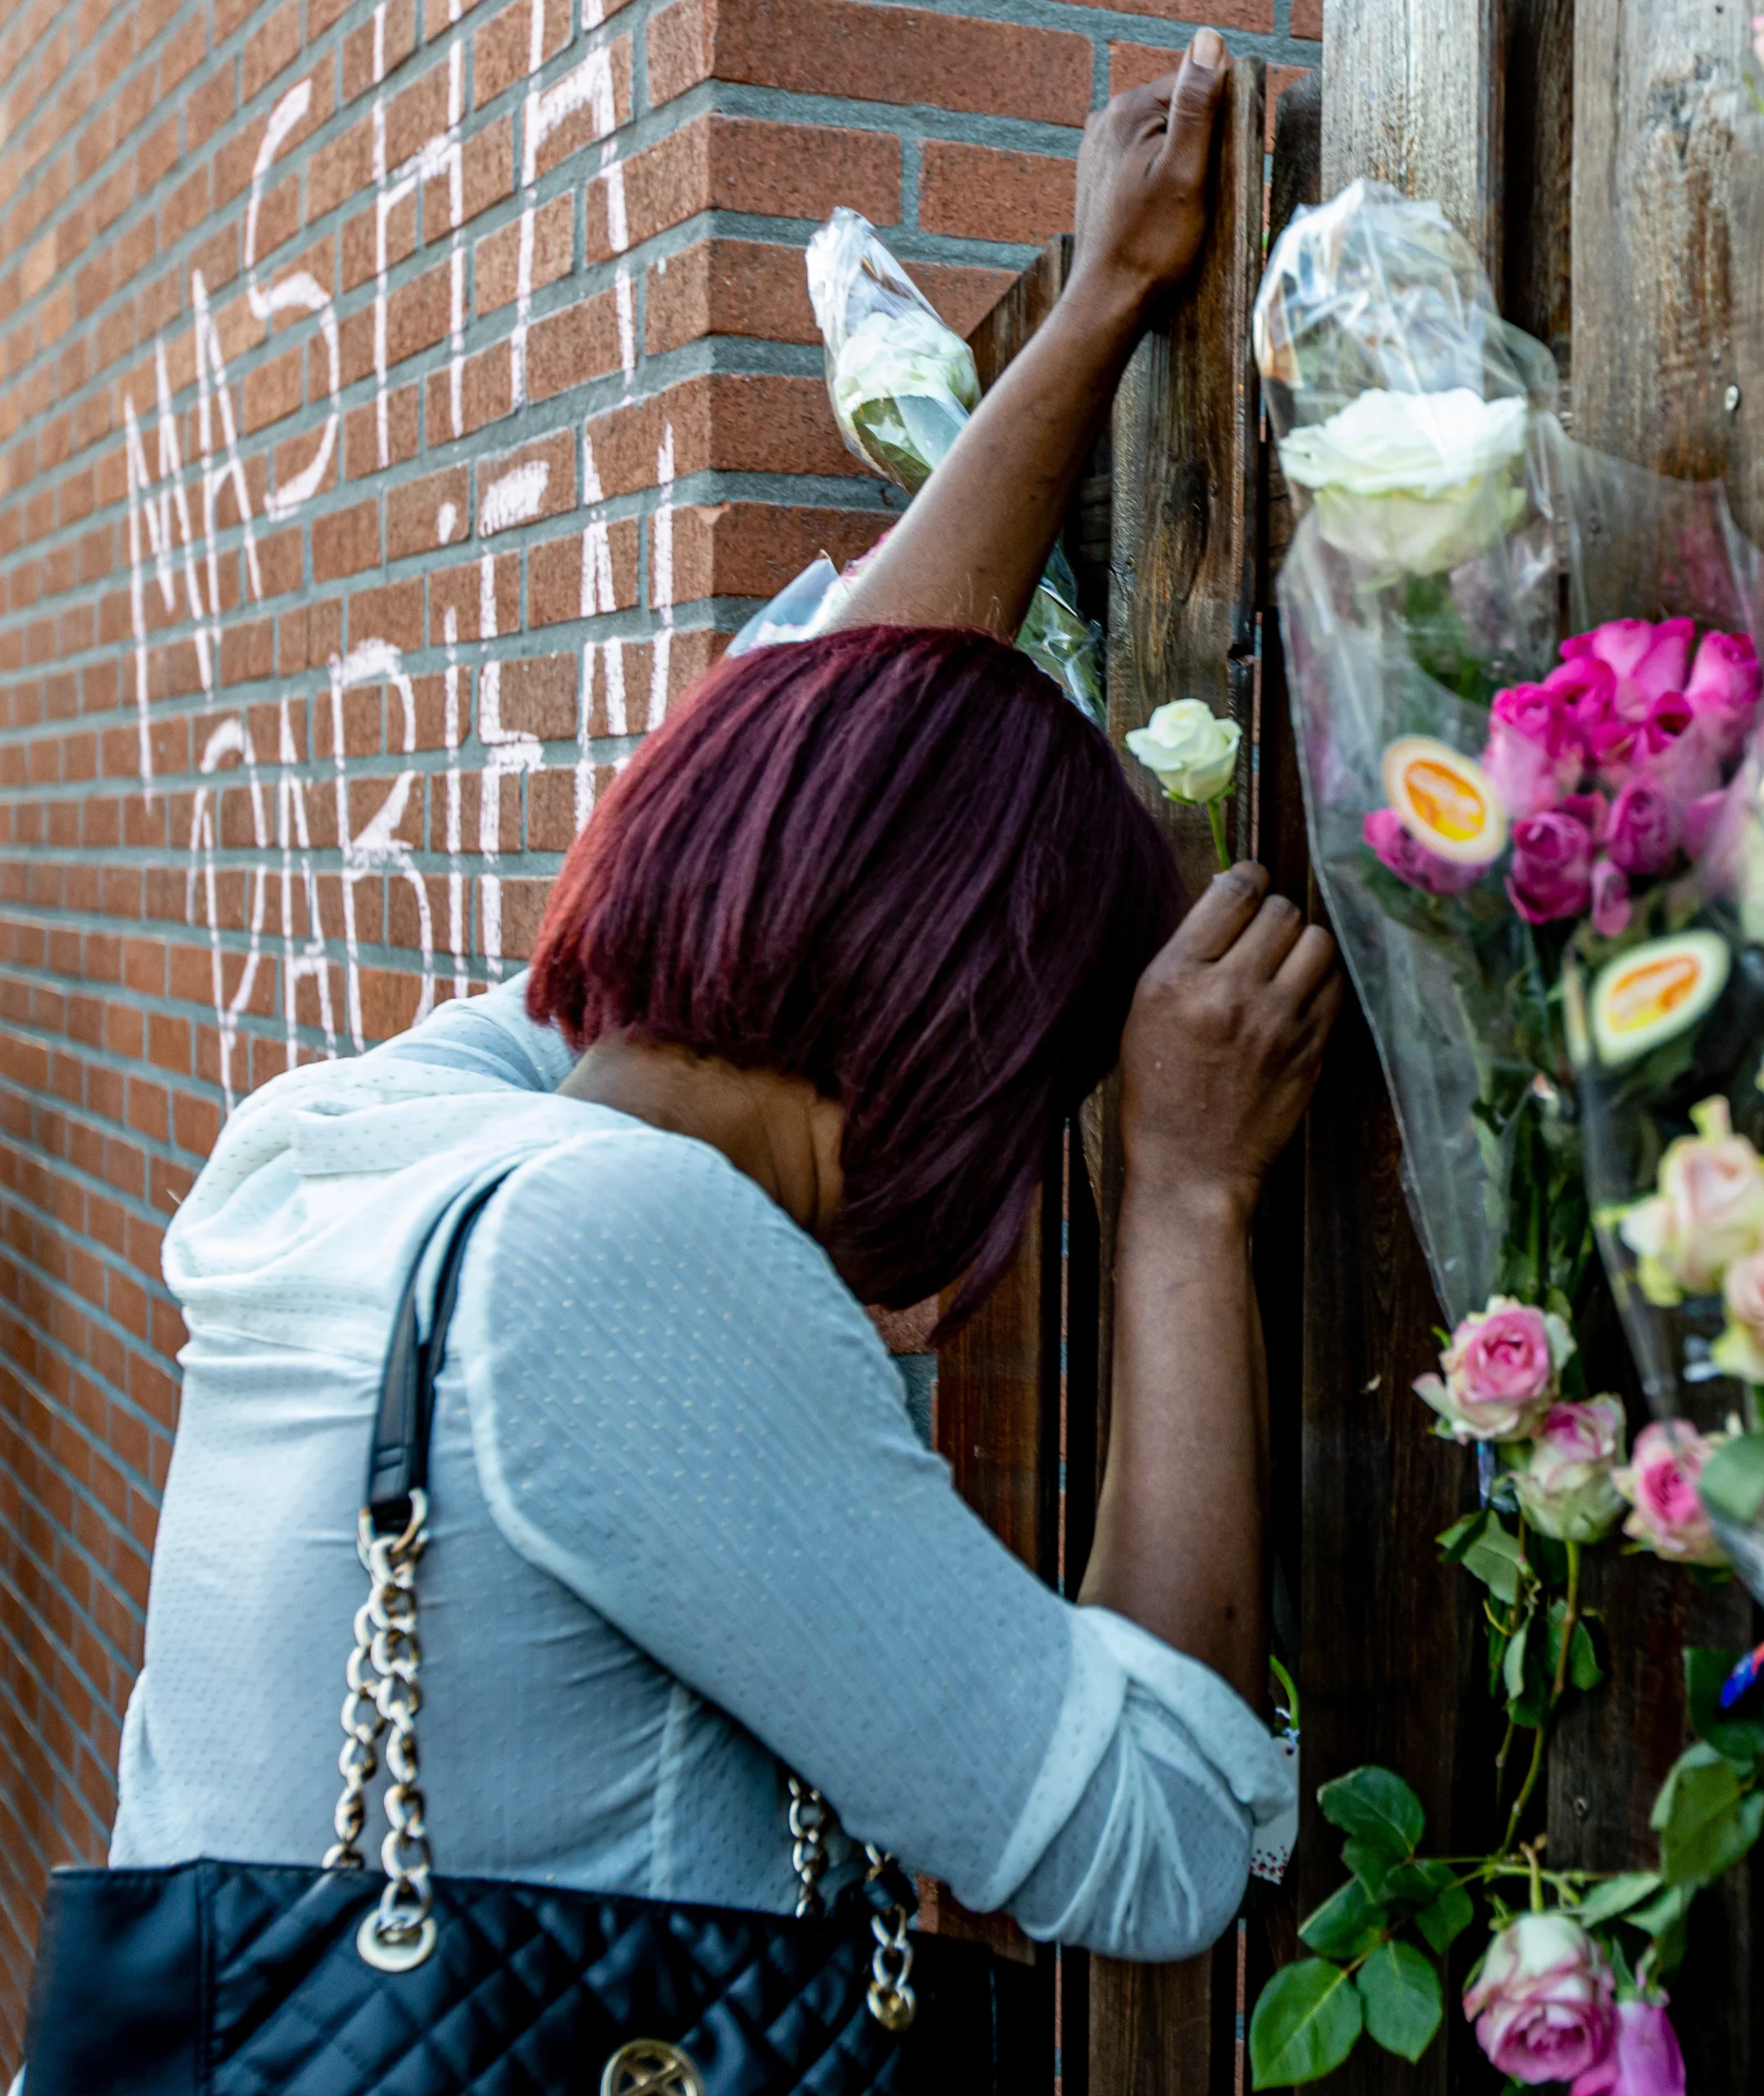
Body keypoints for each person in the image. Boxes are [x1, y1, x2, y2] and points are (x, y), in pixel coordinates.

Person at [105, 28, 1330, 1961]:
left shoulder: (379, 1138)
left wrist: (1097, 305)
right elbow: (1156, 1843)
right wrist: (1184, 1199)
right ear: (969, 1046)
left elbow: (819, 718)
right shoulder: (627, 1249)